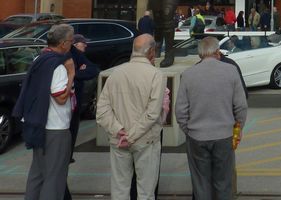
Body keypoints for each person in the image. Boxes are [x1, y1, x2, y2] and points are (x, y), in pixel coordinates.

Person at [176, 36, 247, 200]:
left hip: (196, 136)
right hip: (224, 135)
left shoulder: (188, 74)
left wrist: (190, 130)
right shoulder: (231, 71)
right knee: (224, 182)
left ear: (200, 54)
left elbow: (180, 111)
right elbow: (241, 106)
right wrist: (238, 127)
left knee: (201, 183)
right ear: (217, 51)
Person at [96, 34, 166, 200]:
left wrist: (119, 130)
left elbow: (102, 110)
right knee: (146, 192)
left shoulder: (116, 74)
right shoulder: (156, 75)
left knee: (119, 190)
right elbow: (153, 113)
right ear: (151, 52)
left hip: (118, 140)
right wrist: (131, 135)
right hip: (145, 140)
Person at [12, 24, 75, 200]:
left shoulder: (38, 60)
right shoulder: (59, 66)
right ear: (63, 43)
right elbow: (60, 98)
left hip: (37, 124)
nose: (72, 44)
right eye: (71, 41)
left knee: (37, 174)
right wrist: (71, 74)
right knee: (54, 177)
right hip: (56, 128)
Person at [68, 34, 99, 160]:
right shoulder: (65, 55)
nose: (86, 45)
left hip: (75, 104)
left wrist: (74, 73)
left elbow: (93, 69)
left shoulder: (78, 55)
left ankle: (68, 156)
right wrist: (75, 72)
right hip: (64, 104)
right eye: (83, 42)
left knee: (72, 133)